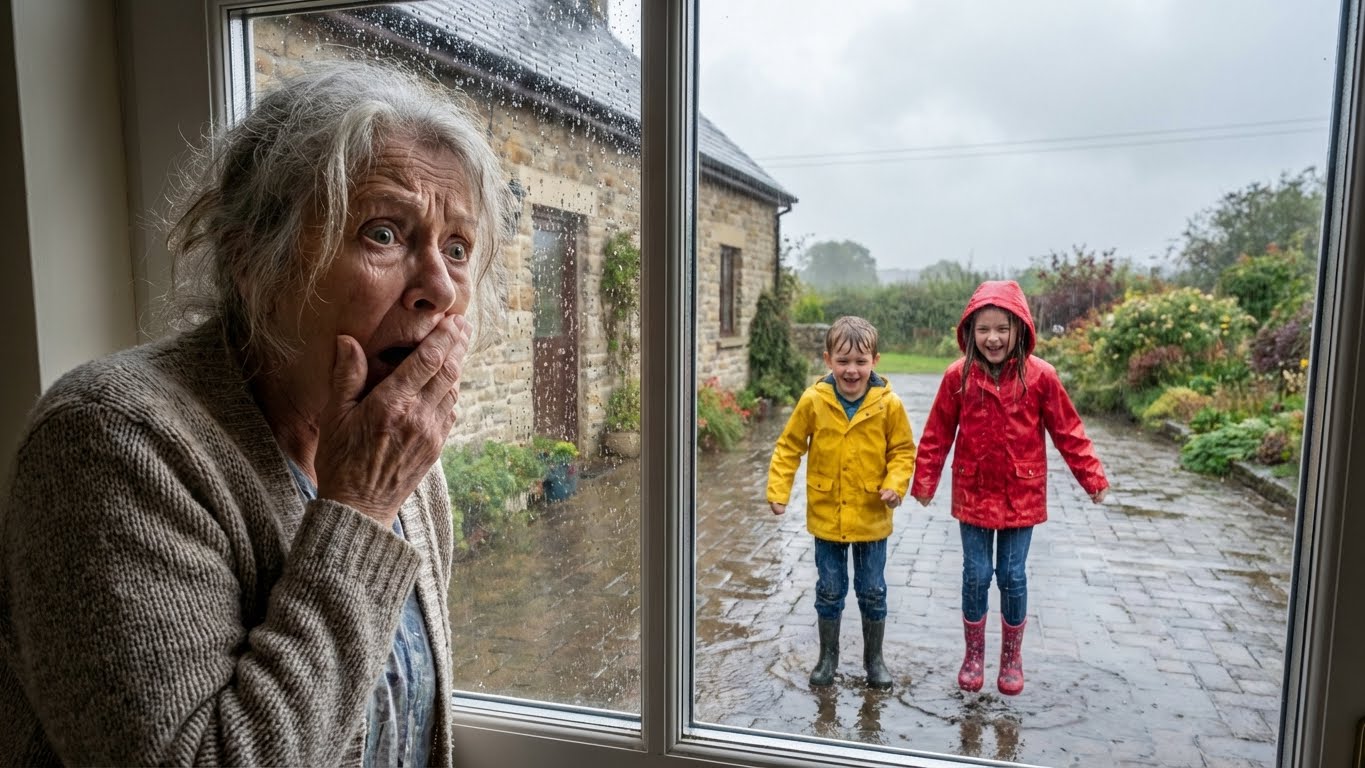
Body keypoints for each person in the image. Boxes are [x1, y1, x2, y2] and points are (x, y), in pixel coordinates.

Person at [0, 61, 515, 766]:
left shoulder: (399, 457)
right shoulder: (109, 441)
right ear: (253, 261)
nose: (438, 288)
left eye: (456, 248)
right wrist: (359, 507)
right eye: (384, 233)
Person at [911, 280, 1108, 696]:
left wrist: (1092, 477)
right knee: (976, 575)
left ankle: (1012, 657)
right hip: (974, 492)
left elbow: (1068, 431)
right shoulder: (957, 377)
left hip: (1022, 493)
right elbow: (936, 434)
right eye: (983, 329)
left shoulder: (1041, 377)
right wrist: (924, 480)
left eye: (1002, 328)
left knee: (1013, 576)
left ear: (1020, 329)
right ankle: (973, 655)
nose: (993, 338)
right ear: (969, 332)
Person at [766, 316, 917, 690]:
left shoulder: (888, 405)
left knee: (872, 590)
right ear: (828, 360)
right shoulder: (814, 401)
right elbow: (789, 446)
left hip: (870, 516)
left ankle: (874, 659)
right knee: (829, 589)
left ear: (875, 361)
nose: (852, 370)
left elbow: (902, 451)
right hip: (827, 514)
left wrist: (896, 485)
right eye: (843, 361)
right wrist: (778, 491)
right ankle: (827, 657)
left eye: (860, 362)